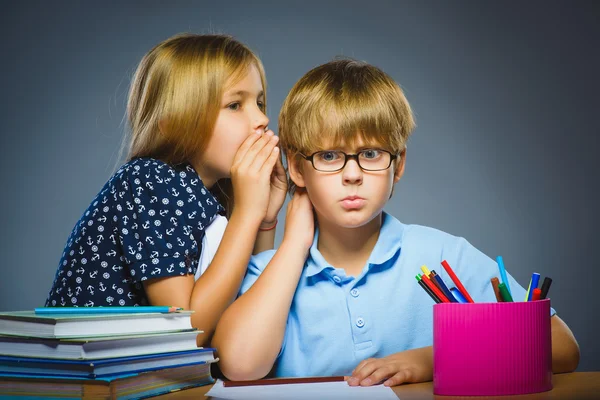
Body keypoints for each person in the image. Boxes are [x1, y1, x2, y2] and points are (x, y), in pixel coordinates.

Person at [212, 58, 580, 385]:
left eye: (371, 154)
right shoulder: (267, 273)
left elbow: (562, 346)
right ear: (296, 168)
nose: (352, 174)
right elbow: (240, 366)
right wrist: (294, 245)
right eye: (328, 156)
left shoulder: (443, 255)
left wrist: (429, 359)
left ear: (398, 165)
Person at [45, 34, 287, 346]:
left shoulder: (213, 194)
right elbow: (185, 330)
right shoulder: (150, 180)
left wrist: (264, 220)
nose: (261, 119)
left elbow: (247, 316)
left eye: (259, 102)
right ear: (173, 123)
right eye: (235, 105)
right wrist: (247, 214)